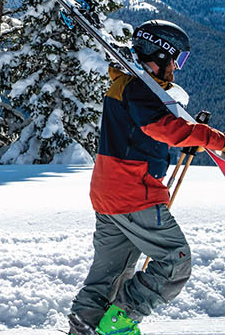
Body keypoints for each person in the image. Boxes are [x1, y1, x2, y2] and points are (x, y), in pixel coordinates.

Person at [67, 20, 225, 335]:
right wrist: (212, 138)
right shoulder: (138, 88)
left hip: (109, 192)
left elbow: (148, 128)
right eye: (177, 60)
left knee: (110, 273)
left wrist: (189, 135)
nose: (176, 69)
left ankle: (84, 325)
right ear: (161, 53)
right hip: (132, 192)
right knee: (175, 261)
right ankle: (121, 321)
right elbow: (161, 128)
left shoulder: (128, 83)